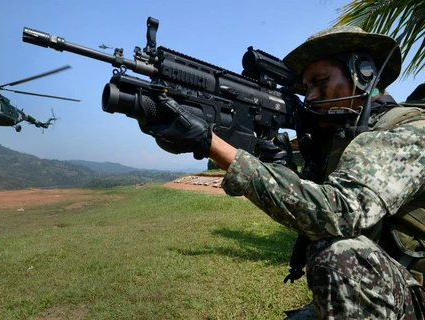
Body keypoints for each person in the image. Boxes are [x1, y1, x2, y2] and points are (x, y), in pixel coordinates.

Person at [139, 25, 425, 319]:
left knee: (337, 253)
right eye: (306, 87)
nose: (310, 97)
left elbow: (337, 213)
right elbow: (306, 207)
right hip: (377, 290)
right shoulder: (340, 142)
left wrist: (215, 147)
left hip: (413, 296)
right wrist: (282, 169)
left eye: (320, 81)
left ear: (363, 73)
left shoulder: (408, 132)